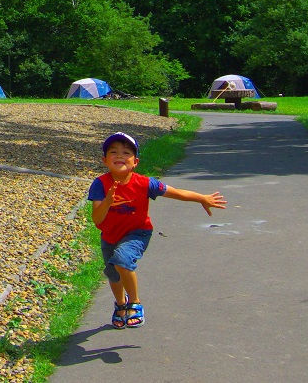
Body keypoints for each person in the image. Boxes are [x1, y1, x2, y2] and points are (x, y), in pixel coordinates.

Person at [88, 132, 227, 329]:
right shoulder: (100, 185)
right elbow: (97, 219)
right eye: (113, 152)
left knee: (122, 259)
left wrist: (201, 198)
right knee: (113, 274)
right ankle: (120, 304)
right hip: (110, 235)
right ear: (104, 160)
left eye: (126, 152)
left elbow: (176, 193)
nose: (119, 155)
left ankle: (135, 303)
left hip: (138, 232)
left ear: (135, 162)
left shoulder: (145, 184)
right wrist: (108, 202)